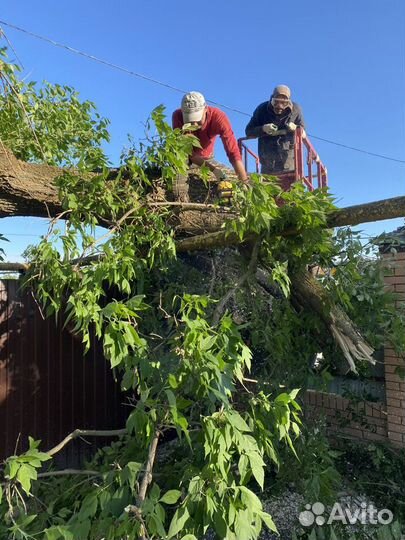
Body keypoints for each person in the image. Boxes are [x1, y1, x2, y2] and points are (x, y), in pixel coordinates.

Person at [172, 91, 248, 201]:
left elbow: (233, 151)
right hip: (185, 158)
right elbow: (188, 153)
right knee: (177, 182)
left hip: (208, 157)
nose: (194, 125)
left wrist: (243, 181)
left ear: (205, 109)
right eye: (190, 121)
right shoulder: (177, 116)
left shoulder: (218, 118)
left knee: (227, 186)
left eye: (197, 120)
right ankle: (180, 203)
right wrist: (214, 170)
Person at [245, 85, 305, 179]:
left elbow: (303, 134)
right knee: (268, 188)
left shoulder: (296, 110)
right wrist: (263, 128)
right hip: (267, 163)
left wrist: (296, 128)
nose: (279, 107)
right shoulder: (262, 110)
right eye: (276, 102)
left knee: (290, 190)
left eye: (283, 103)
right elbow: (248, 131)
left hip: (288, 164)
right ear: (271, 99)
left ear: (288, 102)